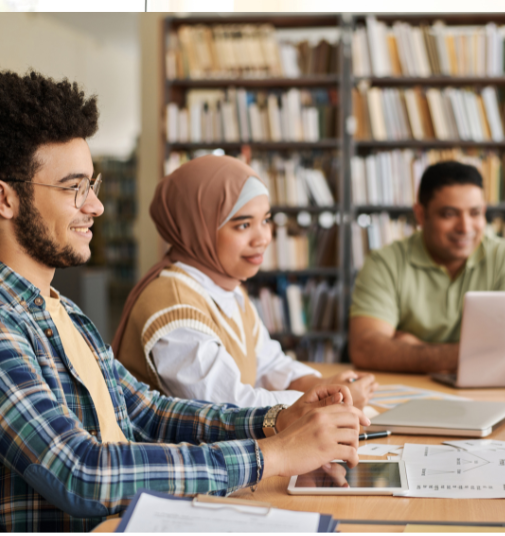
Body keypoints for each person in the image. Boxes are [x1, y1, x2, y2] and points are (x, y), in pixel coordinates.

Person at [0, 70, 369, 532]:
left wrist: (278, 420)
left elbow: (147, 414)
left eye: (91, 185)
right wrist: (271, 455)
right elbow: (82, 473)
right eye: (74, 188)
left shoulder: (61, 311)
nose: (95, 206)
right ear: (4, 199)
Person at [112, 155, 377, 409]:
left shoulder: (228, 289)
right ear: (198, 228)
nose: (263, 238)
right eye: (243, 225)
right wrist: (324, 400)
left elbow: (270, 365)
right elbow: (231, 408)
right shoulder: (173, 306)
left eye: (266, 220)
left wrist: (325, 386)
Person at [348, 160, 505, 374]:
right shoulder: (385, 263)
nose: (465, 227)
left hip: (488, 388)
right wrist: (479, 354)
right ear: (421, 215)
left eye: (475, 213)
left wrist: (414, 348)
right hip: (410, 391)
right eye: (449, 214)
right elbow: (365, 348)